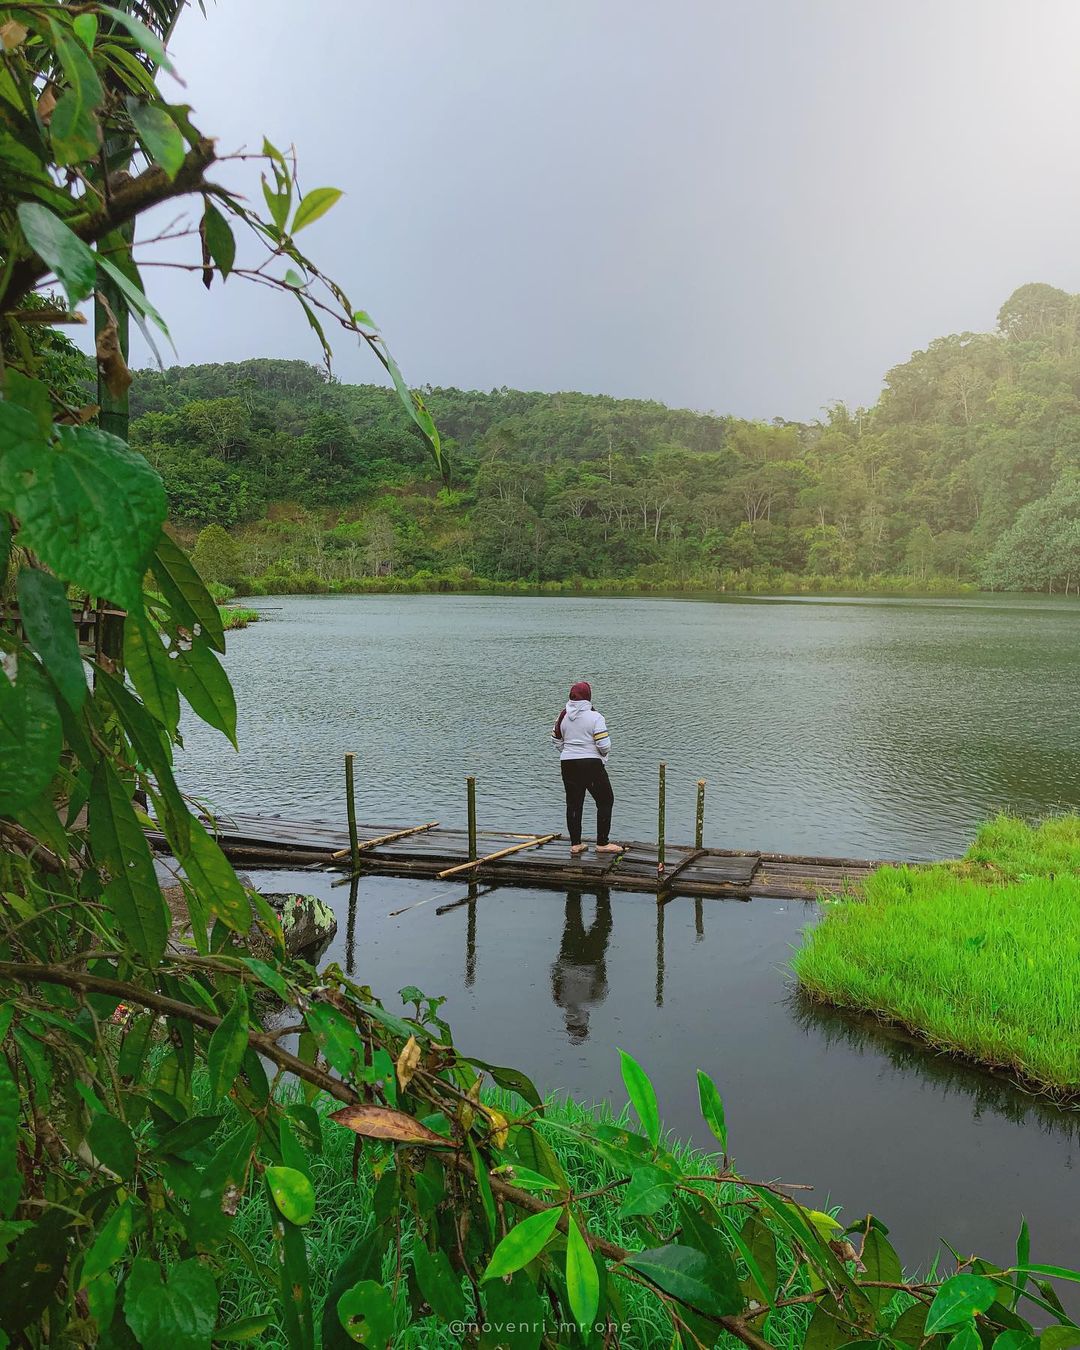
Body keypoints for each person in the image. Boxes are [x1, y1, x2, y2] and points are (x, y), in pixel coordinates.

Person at [551, 680, 621, 856]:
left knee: (574, 802)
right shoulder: (595, 717)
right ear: (588, 697)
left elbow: (556, 740)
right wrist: (601, 755)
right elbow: (604, 745)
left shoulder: (563, 715)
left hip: (568, 763)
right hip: (590, 763)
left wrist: (568, 751)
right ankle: (602, 843)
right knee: (605, 800)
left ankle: (576, 844)